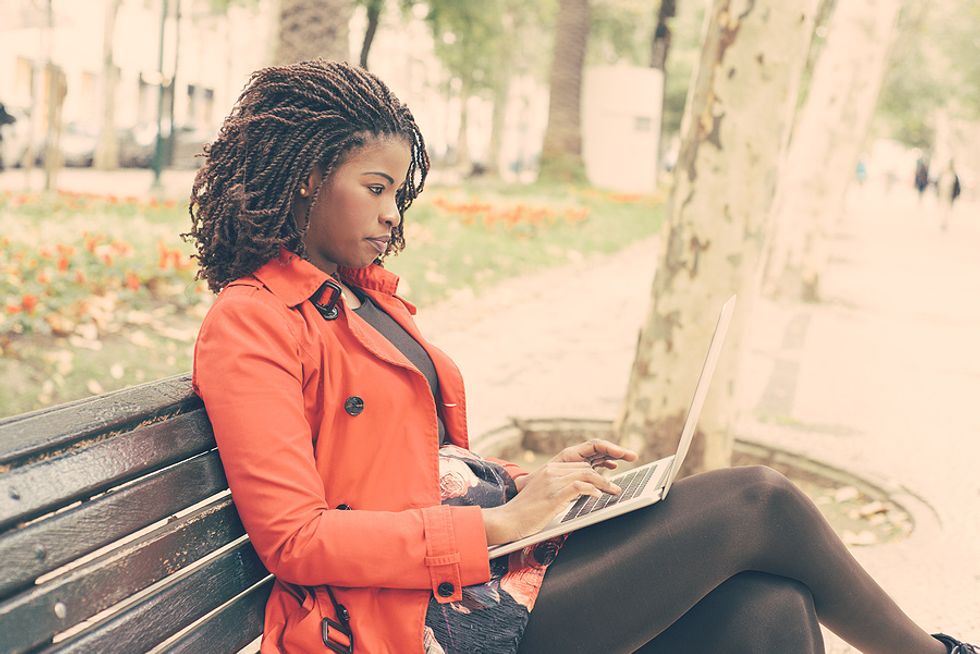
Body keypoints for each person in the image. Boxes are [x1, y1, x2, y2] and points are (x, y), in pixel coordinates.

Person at [188, 60, 977, 654]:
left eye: (401, 195)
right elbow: (296, 539)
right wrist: (501, 524)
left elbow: (422, 462)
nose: (394, 216)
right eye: (378, 188)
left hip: (471, 569)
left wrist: (538, 484)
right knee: (755, 504)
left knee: (769, 610)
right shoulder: (253, 323)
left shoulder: (365, 297)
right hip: (402, 616)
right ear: (304, 178)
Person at [935, 160, 962, 231]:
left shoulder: (953, 175)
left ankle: (944, 222)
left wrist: (956, 195)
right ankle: (943, 222)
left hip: (949, 196)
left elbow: (957, 187)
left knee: (946, 210)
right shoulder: (943, 174)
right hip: (943, 196)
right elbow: (937, 185)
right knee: (943, 209)